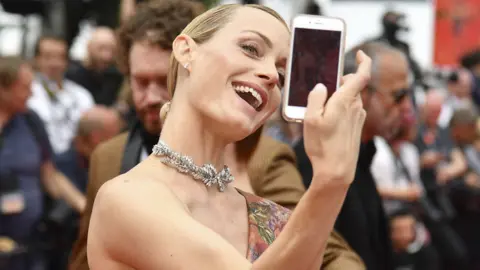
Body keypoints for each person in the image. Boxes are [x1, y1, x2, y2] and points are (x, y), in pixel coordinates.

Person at [70, 1, 365, 269]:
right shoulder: (125, 197)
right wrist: (330, 181)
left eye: (283, 73)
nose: (273, 77)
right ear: (187, 50)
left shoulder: (270, 216)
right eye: (251, 48)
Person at [296, 41, 410, 270]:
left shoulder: (364, 154)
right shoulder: (317, 159)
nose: (406, 107)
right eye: (398, 95)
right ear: (362, 91)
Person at [0, 56, 86, 270]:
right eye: (25, 87)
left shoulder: (30, 121)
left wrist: (86, 208)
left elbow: (51, 175)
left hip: (30, 248)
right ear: (3, 88)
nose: (31, 94)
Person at [66, 27, 124, 106]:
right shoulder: (72, 76)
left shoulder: (116, 77)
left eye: (112, 50)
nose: (107, 56)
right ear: (89, 47)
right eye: (101, 49)